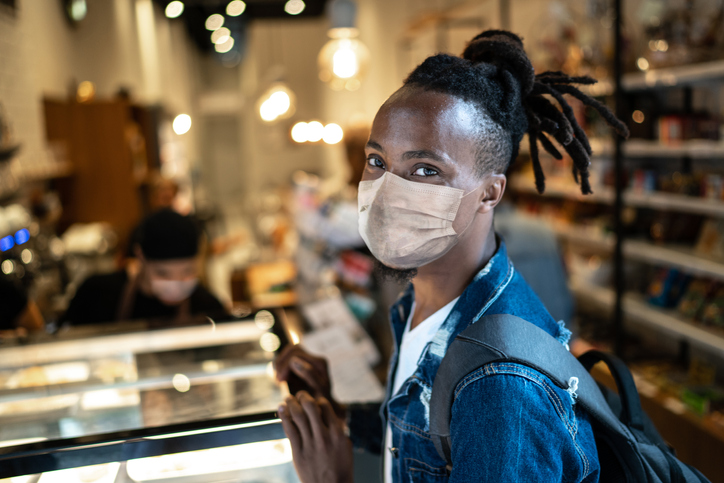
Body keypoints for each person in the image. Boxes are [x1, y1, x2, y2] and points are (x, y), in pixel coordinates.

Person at [275, 30, 628, 482]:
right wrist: (337, 413)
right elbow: (427, 437)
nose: (386, 192)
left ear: (490, 192)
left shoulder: (501, 390)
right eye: (378, 161)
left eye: (426, 170)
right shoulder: (420, 303)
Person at [62, 209, 227, 325]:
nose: (176, 283)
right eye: (163, 274)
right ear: (140, 256)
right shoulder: (96, 294)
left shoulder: (208, 307)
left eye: (187, 272)